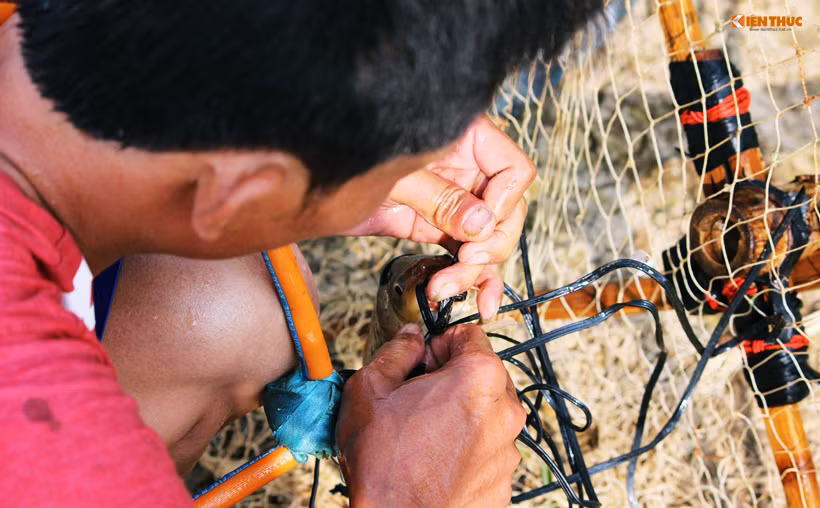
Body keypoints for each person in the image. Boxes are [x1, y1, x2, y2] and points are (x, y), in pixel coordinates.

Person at [0, 1, 599, 506]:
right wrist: (407, 497)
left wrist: (331, 170)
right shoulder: (53, 458)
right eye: (389, 172)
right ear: (236, 193)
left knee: (228, 314)